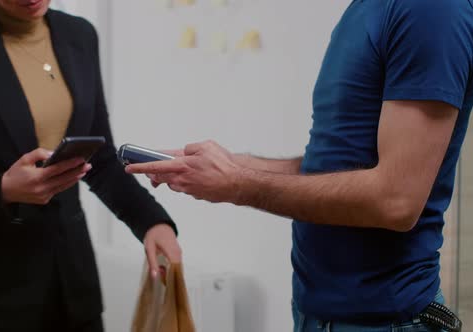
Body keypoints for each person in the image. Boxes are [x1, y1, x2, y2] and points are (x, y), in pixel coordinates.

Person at [127, 0, 473, 331]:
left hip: (384, 321)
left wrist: (238, 184)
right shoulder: (365, 9)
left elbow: (396, 201)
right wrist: (233, 167)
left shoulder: (429, 7)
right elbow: (334, 166)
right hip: (317, 315)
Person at [0, 0, 182, 331]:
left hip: (72, 291)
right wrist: (3, 190)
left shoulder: (79, 35)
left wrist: (152, 222)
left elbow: (99, 160)